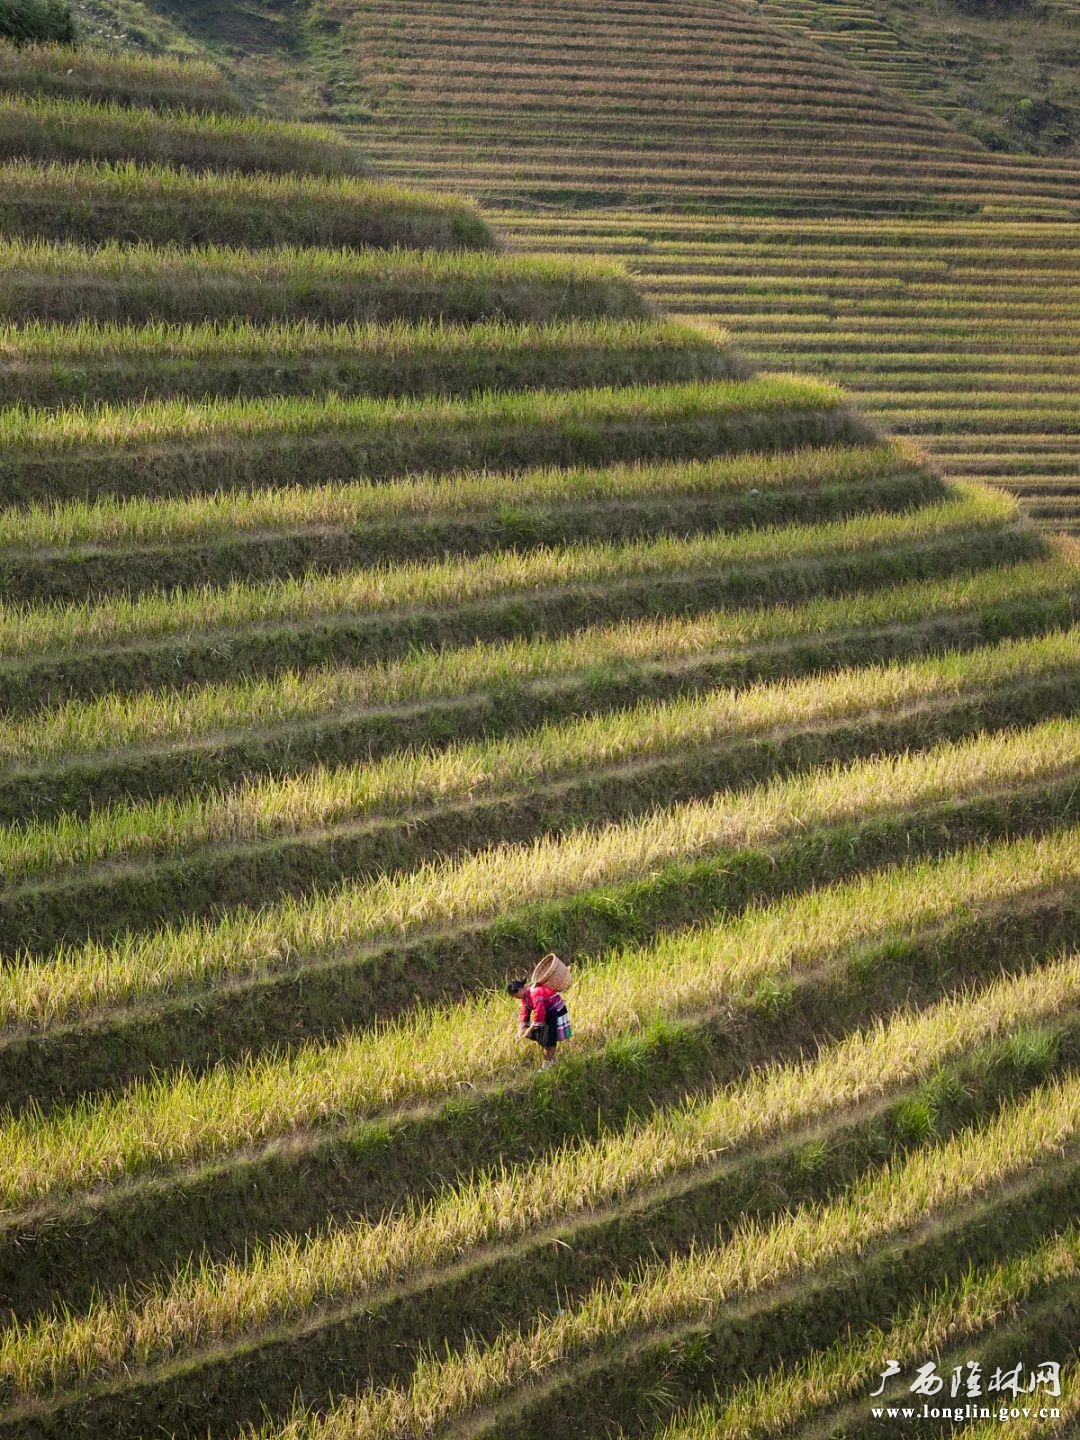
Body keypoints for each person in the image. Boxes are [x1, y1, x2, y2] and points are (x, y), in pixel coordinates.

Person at [507, 976, 570, 1069]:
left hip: (554, 1010)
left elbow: (539, 1013)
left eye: (516, 996)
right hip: (546, 1012)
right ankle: (552, 1060)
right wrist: (520, 1030)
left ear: (520, 990)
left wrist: (529, 1029)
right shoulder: (525, 996)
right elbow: (525, 1012)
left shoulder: (535, 992)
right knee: (543, 1038)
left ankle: (547, 1064)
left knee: (548, 1039)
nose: (516, 998)